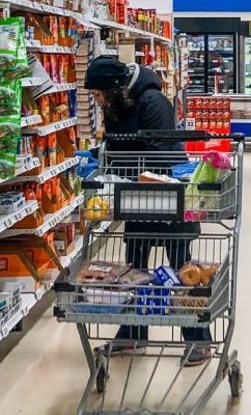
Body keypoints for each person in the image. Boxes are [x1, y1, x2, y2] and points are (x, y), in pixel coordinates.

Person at [83, 55, 213, 367]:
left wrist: (121, 157)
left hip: (167, 198)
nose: (98, 101)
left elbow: (161, 152)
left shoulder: (153, 101)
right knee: (134, 271)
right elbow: (117, 147)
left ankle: (199, 339)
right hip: (137, 200)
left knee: (182, 270)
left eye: (99, 94)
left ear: (114, 88)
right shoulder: (118, 105)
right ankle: (133, 333)